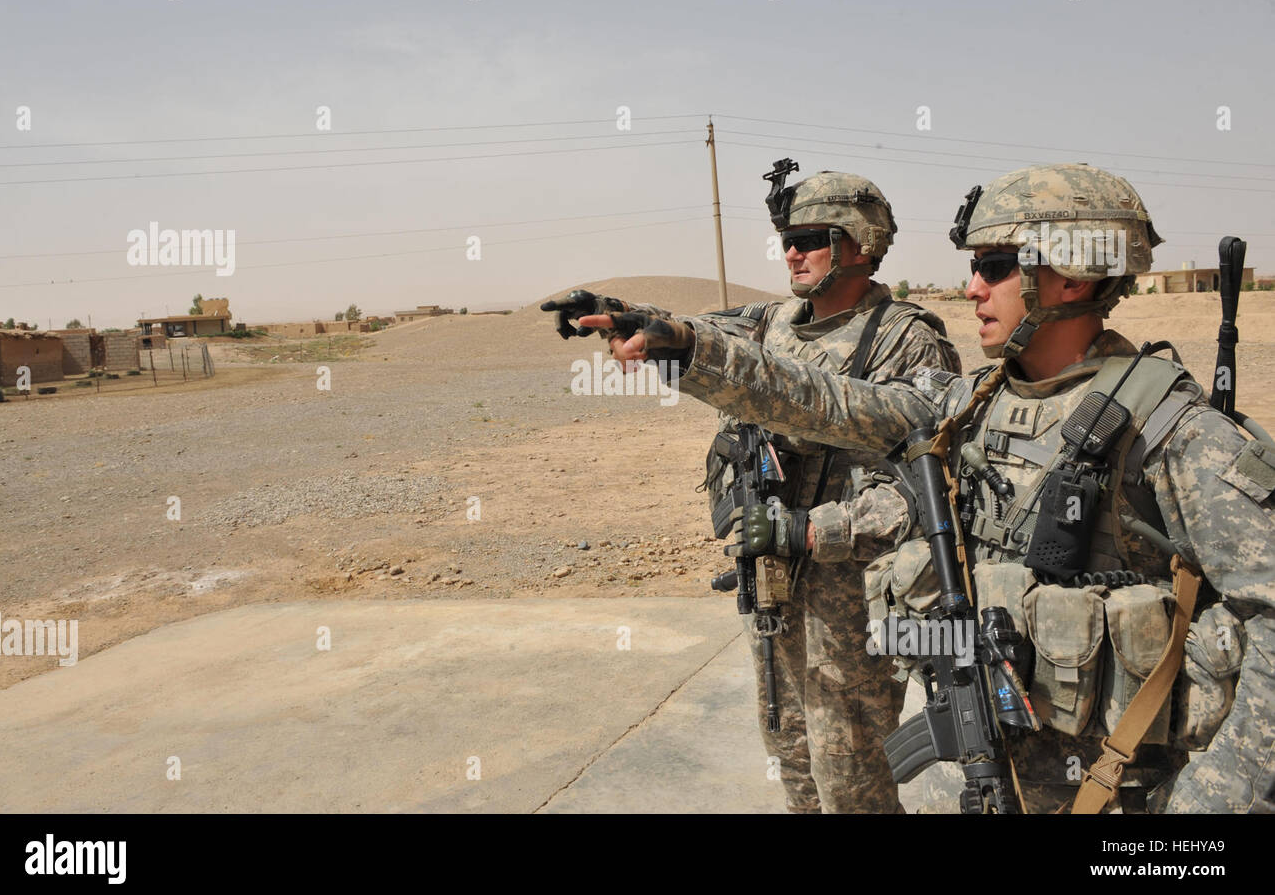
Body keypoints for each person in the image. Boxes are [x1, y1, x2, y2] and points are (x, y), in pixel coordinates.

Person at [581, 162, 1275, 813]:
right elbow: (822, 399)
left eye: (995, 266)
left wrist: (1207, 807)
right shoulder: (967, 407)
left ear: (1073, 276)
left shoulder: (1174, 432)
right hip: (996, 777)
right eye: (975, 266)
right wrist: (685, 348)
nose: (973, 287)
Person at [543, 162, 959, 813]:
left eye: (811, 236)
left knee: (853, 789)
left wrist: (818, 529)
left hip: (850, 611)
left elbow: (915, 486)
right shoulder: (774, 322)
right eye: (786, 237)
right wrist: (636, 321)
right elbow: (714, 340)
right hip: (772, 593)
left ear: (859, 242)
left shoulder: (908, 340)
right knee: (793, 770)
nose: (791, 250)